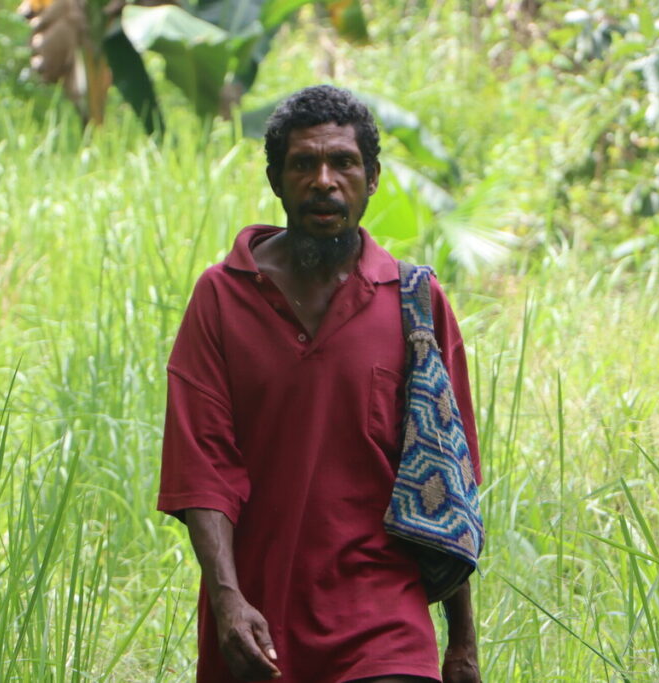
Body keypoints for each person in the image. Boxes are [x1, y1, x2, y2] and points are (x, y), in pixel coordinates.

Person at [158, 85, 483, 683]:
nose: (324, 181)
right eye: (304, 164)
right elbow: (202, 469)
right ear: (276, 181)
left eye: (343, 163)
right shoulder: (221, 298)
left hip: (385, 619)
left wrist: (462, 641)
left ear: (372, 178)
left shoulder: (415, 303)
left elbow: (448, 476)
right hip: (258, 620)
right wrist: (227, 599)